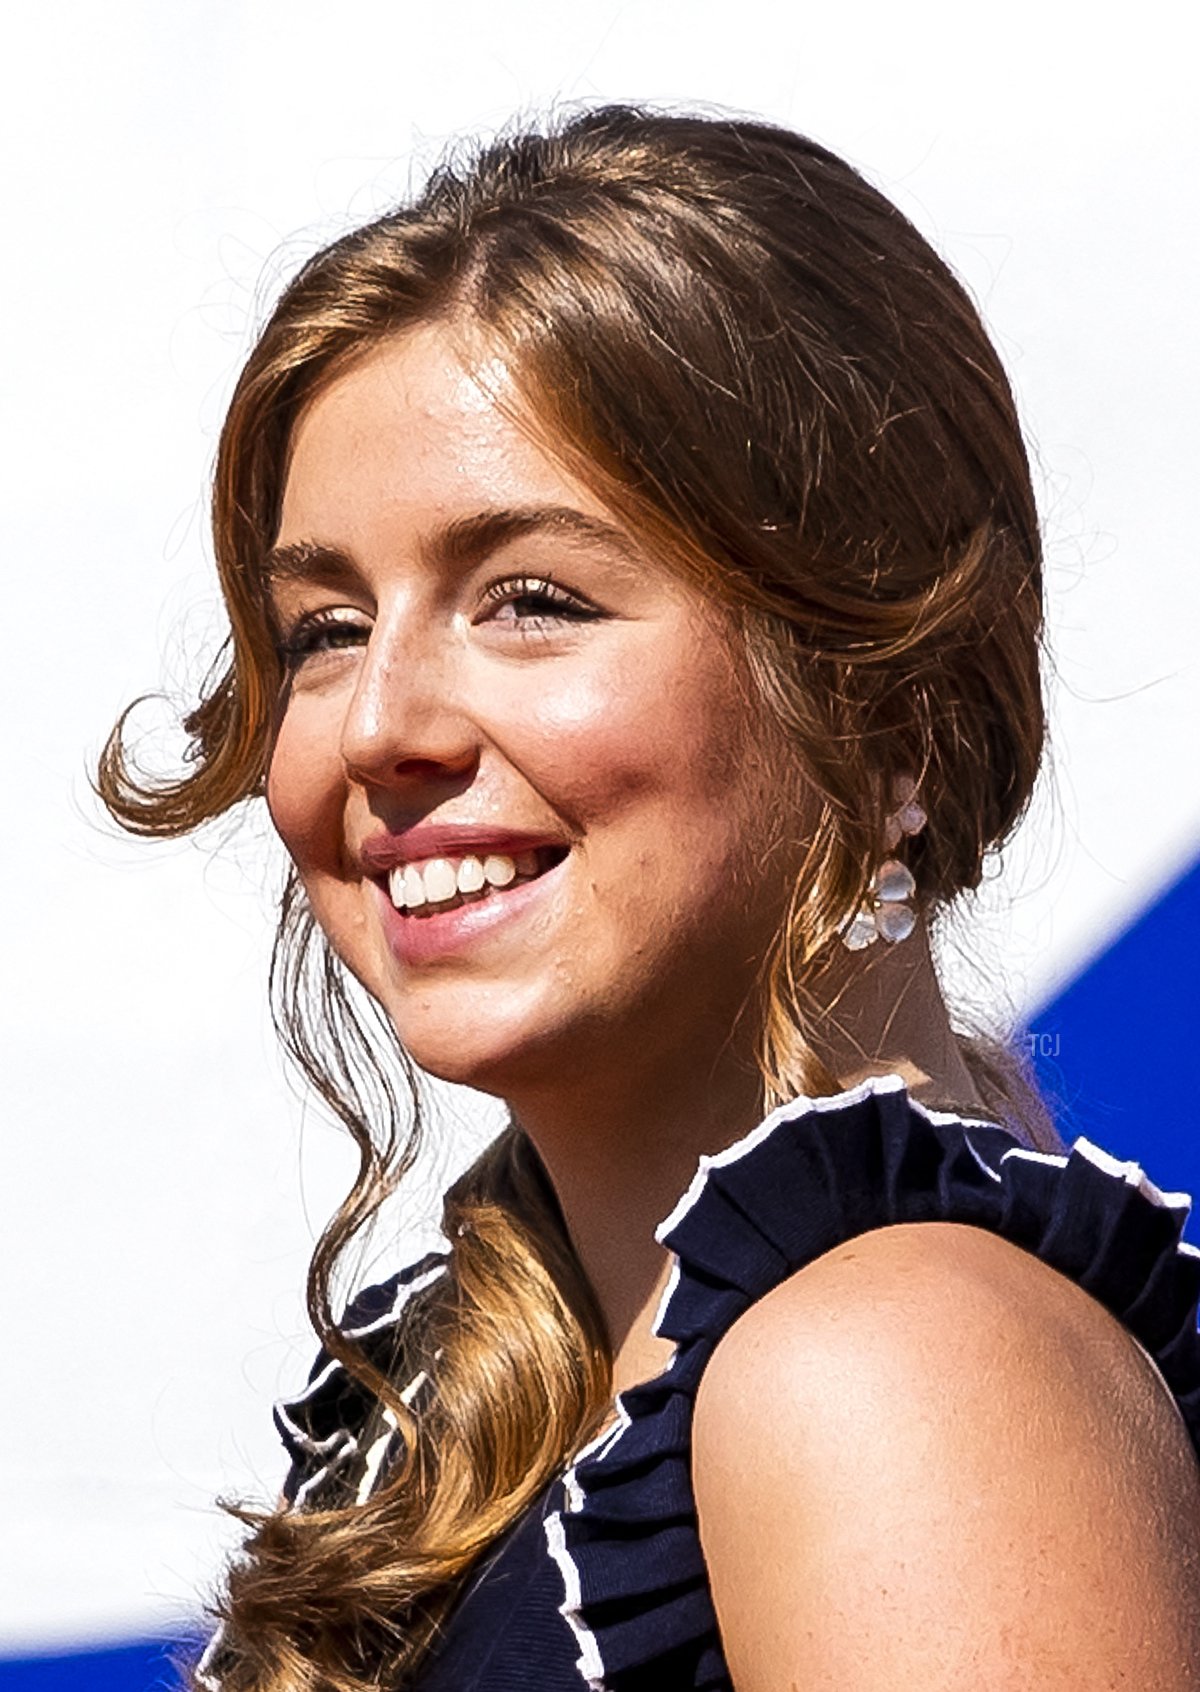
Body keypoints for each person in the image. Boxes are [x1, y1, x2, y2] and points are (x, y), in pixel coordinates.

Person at [99, 104, 1200, 1690]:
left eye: (532, 601)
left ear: (887, 705)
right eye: (325, 627)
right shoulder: (506, 1400)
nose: (379, 724)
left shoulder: (898, 1371)